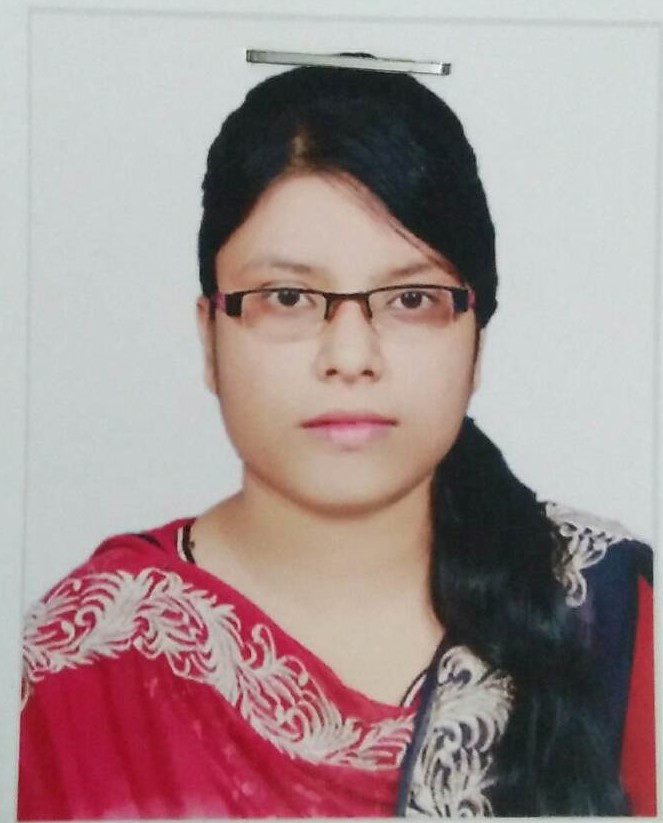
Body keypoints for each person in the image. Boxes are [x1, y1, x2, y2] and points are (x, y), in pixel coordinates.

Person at [18, 64, 655, 819]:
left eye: (411, 297)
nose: (350, 357)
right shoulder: (80, 665)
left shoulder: (606, 618)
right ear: (209, 336)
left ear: (476, 342)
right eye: (287, 296)